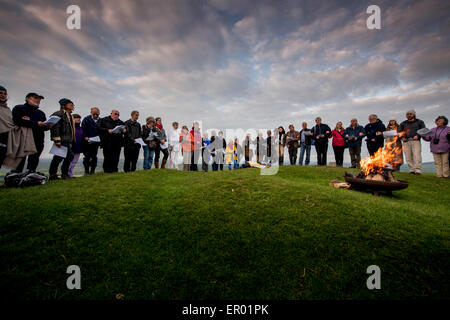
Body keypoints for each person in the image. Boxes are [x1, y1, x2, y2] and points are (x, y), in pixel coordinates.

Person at [12, 92, 51, 172]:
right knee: (20, 157)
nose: (38, 100)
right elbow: (17, 121)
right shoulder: (19, 108)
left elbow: (43, 127)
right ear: (27, 99)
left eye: (39, 99)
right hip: (23, 137)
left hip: (38, 138)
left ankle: (31, 174)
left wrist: (48, 126)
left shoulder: (41, 113)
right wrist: (36, 123)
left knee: (35, 157)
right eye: (35, 98)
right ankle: (16, 174)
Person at [49, 98, 76, 180]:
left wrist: (71, 141)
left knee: (58, 157)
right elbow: (55, 127)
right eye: (70, 104)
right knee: (69, 156)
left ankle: (56, 174)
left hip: (67, 140)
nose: (72, 105)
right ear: (63, 105)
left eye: (72, 104)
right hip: (61, 139)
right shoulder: (58, 114)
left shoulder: (70, 115)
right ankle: (61, 174)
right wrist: (57, 139)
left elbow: (71, 129)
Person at [398, 109, 426, 175]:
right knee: (408, 156)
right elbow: (399, 132)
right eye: (407, 114)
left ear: (414, 114)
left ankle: (418, 170)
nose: (409, 115)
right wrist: (402, 137)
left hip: (415, 140)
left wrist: (418, 136)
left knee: (417, 155)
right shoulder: (403, 123)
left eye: (410, 114)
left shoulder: (420, 122)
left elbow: (423, 130)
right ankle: (412, 169)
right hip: (406, 141)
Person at [81, 107, 101, 175]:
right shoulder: (86, 119)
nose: (95, 115)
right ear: (91, 113)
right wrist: (85, 136)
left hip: (96, 142)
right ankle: (86, 171)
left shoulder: (100, 120)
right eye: (94, 113)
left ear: (99, 113)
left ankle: (92, 171)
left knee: (94, 157)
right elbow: (83, 129)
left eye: (97, 114)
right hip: (87, 142)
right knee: (87, 157)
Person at [0, 85, 10, 168]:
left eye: (4, 94)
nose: (3, 95)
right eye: (0, 93)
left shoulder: (7, 109)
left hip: (4, 141)